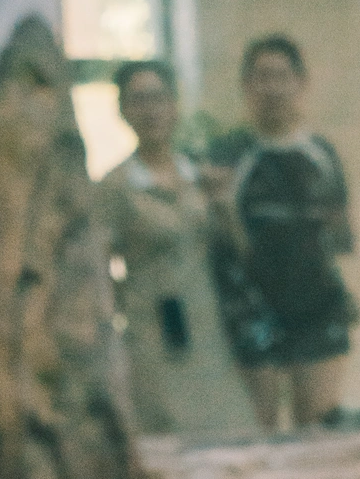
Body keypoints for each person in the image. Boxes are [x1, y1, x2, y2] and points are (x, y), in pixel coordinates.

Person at [96, 61, 253, 438]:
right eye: (137, 100)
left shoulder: (200, 175)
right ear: (122, 111)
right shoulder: (114, 187)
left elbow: (238, 252)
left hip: (208, 326)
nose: (150, 110)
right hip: (151, 331)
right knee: (165, 432)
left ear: (174, 105)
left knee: (224, 430)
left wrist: (225, 205)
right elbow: (97, 269)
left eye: (158, 98)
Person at [210, 36, 360, 432]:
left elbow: (341, 239)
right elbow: (220, 246)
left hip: (317, 307)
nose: (272, 87)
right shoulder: (229, 155)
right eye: (262, 77)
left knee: (317, 431)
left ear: (300, 83)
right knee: (259, 432)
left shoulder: (321, 155)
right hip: (251, 310)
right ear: (246, 86)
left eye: (281, 76)